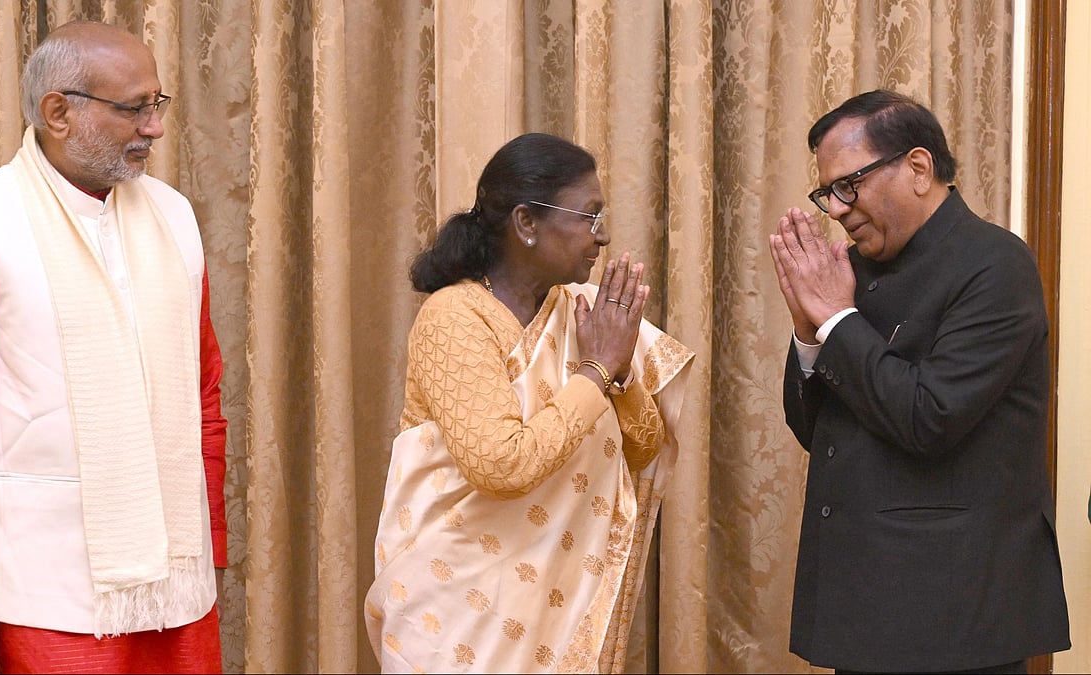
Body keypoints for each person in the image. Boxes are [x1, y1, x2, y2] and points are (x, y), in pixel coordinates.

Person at [0, 21, 228, 674]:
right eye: (133, 108)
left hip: (178, 588)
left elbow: (205, 394)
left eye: (156, 105)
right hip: (42, 595)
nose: (154, 128)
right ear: (59, 112)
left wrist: (210, 545)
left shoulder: (173, 217)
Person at [364, 133, 693, 673]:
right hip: (451, 614)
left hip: (552, 607)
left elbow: (640, 450)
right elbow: (501, 465)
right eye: (589, 216)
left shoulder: (582, 312)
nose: (603, 235)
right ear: (526, 223)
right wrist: (594, 370)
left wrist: (614, 374)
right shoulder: (455, 318)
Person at [768, 89, 1070, 673]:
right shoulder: (853, 272)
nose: (837, 209)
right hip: (865, 603)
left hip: (953, 611)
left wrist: (835, 319)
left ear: (917, 167)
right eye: (827, 192)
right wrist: (809, 332)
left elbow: (929, 418)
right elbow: (819, 432)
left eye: (848, 185)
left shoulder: (995, 264)